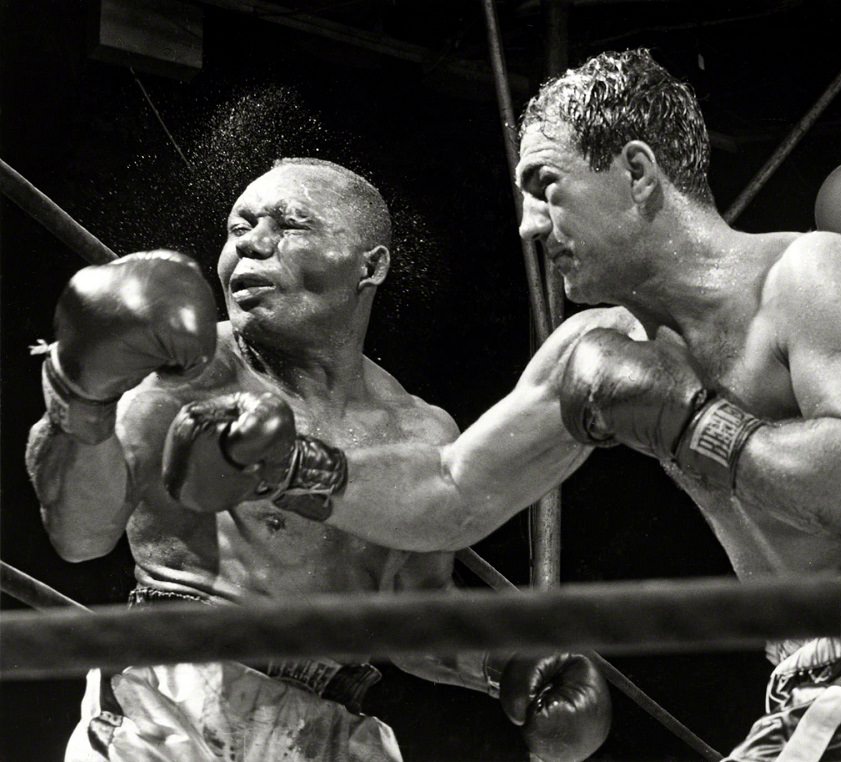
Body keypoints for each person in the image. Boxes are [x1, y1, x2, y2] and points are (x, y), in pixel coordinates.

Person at [160, 50, 841, 760]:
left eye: (546, 185)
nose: (528, 224)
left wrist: (690, 418)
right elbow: (449, 495)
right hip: (812, 673)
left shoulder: (813, 276)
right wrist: (291, 463)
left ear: (636, 172)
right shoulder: (592, 350)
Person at [25, 157, 611, 762]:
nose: (251, 243)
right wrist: (78, 397)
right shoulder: (192, 375)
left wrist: (501, 662)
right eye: (238, 228)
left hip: (332, 721)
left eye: (289, 223)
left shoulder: (420, 430)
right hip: (172, 694)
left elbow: (411, 612)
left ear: (371, 266)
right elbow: (79, 537)